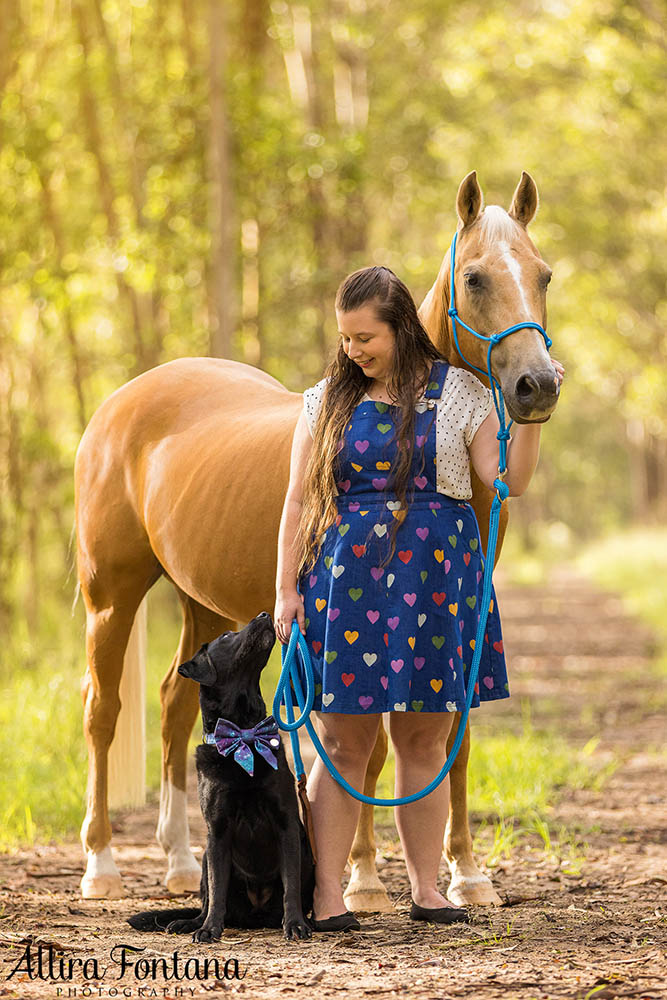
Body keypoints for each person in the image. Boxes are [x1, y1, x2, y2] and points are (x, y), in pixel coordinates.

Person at [274, 266, 564, 932]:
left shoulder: (461, 393)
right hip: (343, 582)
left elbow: (509, 479)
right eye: (345, 339)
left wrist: (533, 412)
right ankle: (326, 893)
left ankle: (428, 891)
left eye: (365, 337)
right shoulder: (322, 402)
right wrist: (284, 590)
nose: (353, 351)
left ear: (400, 326)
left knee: (423, 742)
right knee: (342, 743)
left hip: (436, 583)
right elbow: (296, 498)